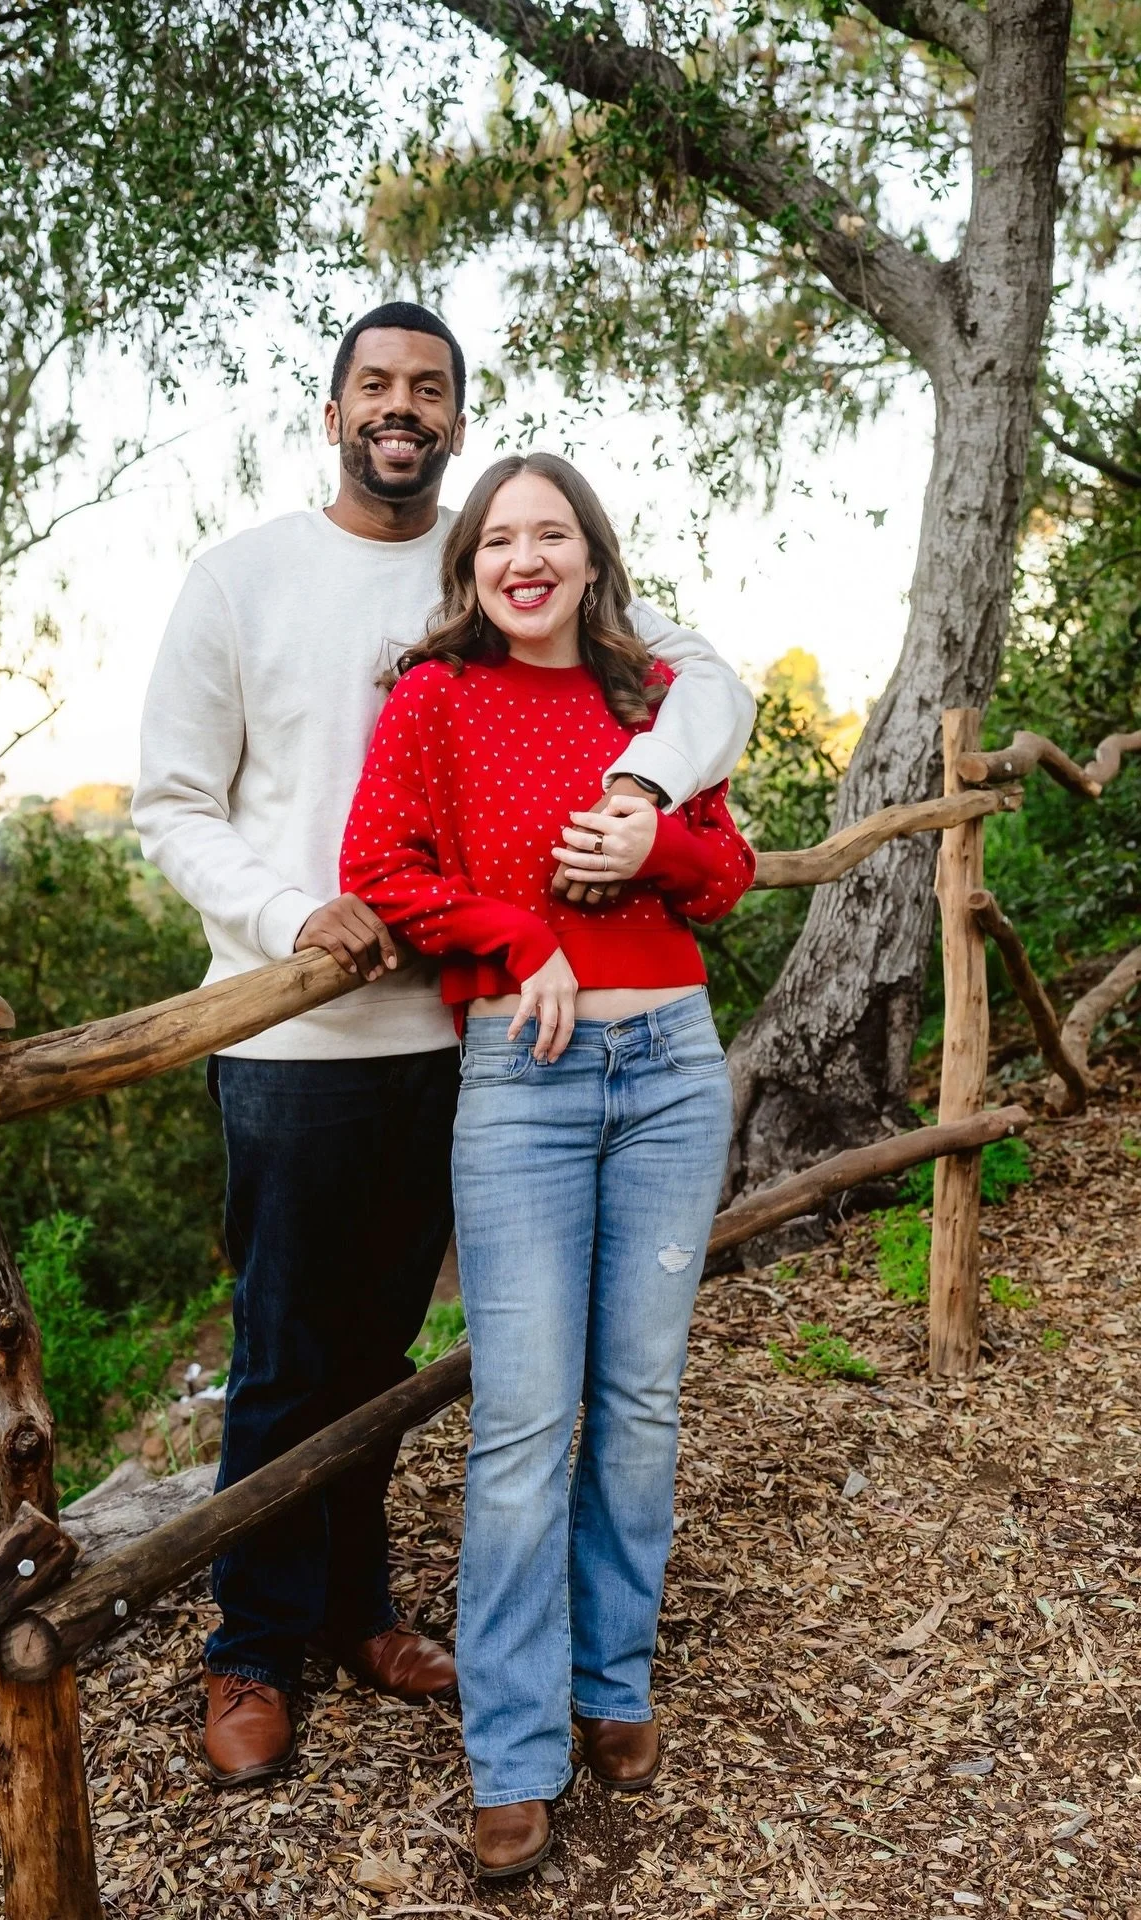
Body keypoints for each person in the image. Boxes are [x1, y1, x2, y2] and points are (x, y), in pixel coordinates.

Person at [133, 302, 755, 1789]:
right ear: (334, 408)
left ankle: (356, 1613)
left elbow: (711, 684)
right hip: (303, 1039)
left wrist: (643, 801)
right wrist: (293, 913)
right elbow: (169, 801)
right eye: (375, 385)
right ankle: (253, 1649)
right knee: (284, 1353)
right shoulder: (243, 578)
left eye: (429, 388)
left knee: (387, 1349)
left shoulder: (509, 552)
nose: (400, 407)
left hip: (473, 1040)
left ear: (462, 423)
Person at [341, 451, 755, 1877]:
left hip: (674, 1072)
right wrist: (523, 940)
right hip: (522, 1083)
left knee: (637, 1403)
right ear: (470, 569)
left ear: (590, 556)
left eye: (552, 535)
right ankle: (512, 1752)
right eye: (499, 539)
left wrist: (651, 843)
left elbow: (727, 870)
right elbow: (381, 867)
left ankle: (613, 1684)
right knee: (525, 1425)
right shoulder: (436, 700)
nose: (526, 558)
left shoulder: (649, 697)